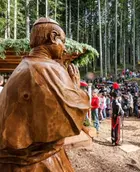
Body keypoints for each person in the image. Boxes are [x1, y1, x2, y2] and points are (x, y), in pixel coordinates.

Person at [0, 18, 90, 171]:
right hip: (36, 162)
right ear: (53, 37)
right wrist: (75, 87)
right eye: (63, 41)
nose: (65, 49)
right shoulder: (46, 68)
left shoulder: (22, 67)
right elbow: (74, 112)